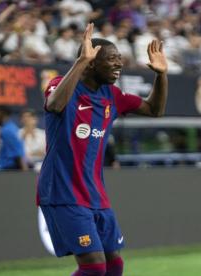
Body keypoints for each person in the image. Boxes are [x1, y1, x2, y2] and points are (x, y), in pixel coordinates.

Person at [36, 23, 167, 276]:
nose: (119, 64)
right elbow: (54, 105)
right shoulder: (60, 85)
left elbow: (155, 110)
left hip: (95, 193)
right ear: (93, 63)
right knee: (94, 267)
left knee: (114, 265)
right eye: (112, 59)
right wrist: (82, 61)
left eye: (120, 59)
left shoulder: (112, 95)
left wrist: (161, 75)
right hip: (63, 191)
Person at [0, 105, 27, 171]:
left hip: (7, 171)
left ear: (2, 114)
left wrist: (26, 173)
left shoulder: (7, 130)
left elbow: (18, 154)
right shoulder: (10, 128)